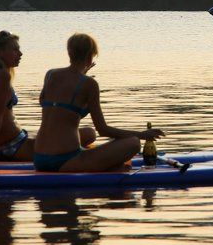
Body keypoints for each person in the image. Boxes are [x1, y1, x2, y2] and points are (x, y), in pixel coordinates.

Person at [0, 30, 96, 162]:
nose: (20, 54)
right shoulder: (2, 76)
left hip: (2, 148)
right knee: (89, 133)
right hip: (13, 148)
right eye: (15, 49)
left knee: (47, 136)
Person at [33, 33, 164, 172]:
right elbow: (103, 129)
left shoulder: (51, 74)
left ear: (69, 53)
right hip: (66, 159)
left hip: (39, 158)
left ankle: (110, 167)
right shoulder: (89, 84)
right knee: (133, 142)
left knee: (89, 132)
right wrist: (142, 135)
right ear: (91, 56)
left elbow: (57, 110)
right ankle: (109, 168)